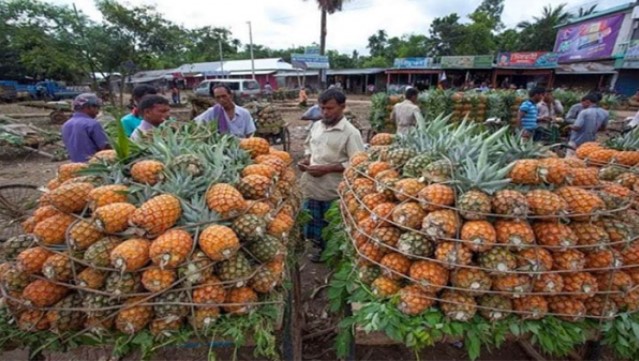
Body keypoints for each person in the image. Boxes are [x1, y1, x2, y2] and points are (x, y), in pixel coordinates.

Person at [298, 89, 365, 262]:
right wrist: (307, 159)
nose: (325, 112)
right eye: (322, 108)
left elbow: (359, 163)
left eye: (330, 108)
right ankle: (318, 248)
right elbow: (309, 146)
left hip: (334, 189)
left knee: (332, 225)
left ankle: (334, 254)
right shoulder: (317, 126)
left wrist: (327, 168)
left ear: (342, 107)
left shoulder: (351, 133)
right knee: (313, 221)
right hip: (312, 185)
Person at [61, 93, 110, 162]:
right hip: (94, 167)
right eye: (96, 107)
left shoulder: (66, 125)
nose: (98, 111)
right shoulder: (92, 124)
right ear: (88, 107)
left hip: (74, 167)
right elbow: (105, 147)